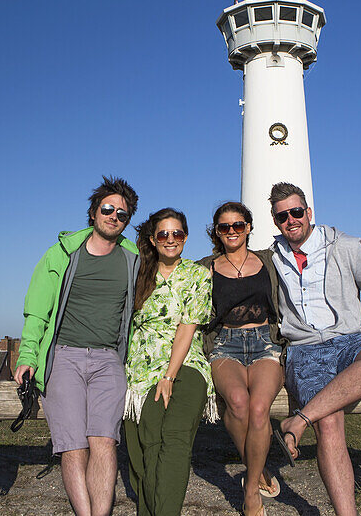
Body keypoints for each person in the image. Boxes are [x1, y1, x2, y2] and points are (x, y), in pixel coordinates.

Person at [267, 182, 361, 516]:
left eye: (297, 212)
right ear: (275, 220)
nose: (291, 220)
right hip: (304, 349)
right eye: (282, 216)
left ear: (309, 212)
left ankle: (296, 423)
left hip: (349, 340)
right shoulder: (271, 258)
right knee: (329, 422)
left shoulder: (345, 245)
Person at [13, 176, 140, 516]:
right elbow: (37, 310)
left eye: (122, 214)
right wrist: (27, 357)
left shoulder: (133, 259)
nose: (114, 216)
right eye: (108, 209)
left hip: (109, 360)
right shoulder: (62, 253)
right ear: (94, 212)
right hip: (64, 357)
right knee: (72, 447)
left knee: (104, 442)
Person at [122, 208, 217, 516]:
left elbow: (187, 328)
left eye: (177, 234)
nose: (171, 239)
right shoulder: (139, 275)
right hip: (139, 371)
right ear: (153, 239)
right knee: (143, 451)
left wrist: (169, 376)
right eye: (164, 234)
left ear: (186, 238)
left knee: (174, 439)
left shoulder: (197, 275)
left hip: (184, 365)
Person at [199, 201, 286, 516]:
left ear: (249, 227)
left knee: (259, 409)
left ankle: (251, 492)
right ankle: (258, 467)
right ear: (217, 232)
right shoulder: (204, 267)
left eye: (238, 225)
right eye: (225, 227)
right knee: (237, 402)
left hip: (265, 343)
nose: (232, 231)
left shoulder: (269, 261)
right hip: (225, 344)